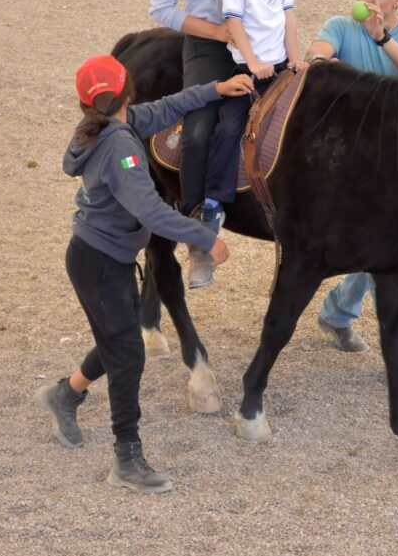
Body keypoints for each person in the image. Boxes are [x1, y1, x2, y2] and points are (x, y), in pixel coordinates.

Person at [34, 54, 253, 494]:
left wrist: (215, 89)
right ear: (128, 91)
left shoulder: (112, 124)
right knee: (128, 355)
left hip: (98, 257)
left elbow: (168, 107)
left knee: (118, 340)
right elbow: (150, 209)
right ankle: (126, 457)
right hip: (100, 262)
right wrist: (206, 238)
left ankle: (65, 395)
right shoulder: (121, 147)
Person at [303, 0, 398, 394]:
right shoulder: (340, 27)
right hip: (344, 168)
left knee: (383, 251)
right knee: (388, 253)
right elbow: (317, 60)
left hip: (396, 168)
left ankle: (338, 311)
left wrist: (381, 40)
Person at [149, 0, 253, 289]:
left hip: (254, 41)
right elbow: (162, 9)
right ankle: (198, 238)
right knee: (197, 129)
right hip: (208, 46)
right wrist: (216, 31)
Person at [201, 0, 305, 230]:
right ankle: (213, 202)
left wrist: (295, 57)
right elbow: (234, 21)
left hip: (279, 70)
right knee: (229, 127)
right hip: (248, 70)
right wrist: (253, 62)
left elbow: (288, 19)